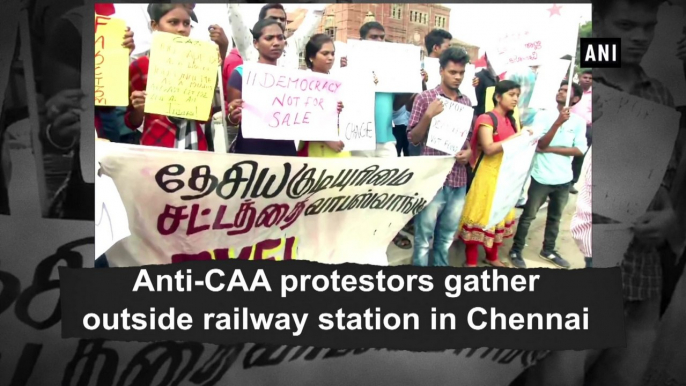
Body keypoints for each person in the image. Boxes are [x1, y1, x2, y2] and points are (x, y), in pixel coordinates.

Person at [40, 5, 135, 219]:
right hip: (86, 157)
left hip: (112, 144)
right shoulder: (72, 23)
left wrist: (120, 58)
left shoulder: (114, 20)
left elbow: (114, 99)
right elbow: (61, 117)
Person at [124, 4, 227, 151]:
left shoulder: (198, 63)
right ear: (154, 25)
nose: (181, 29)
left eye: (186, 23)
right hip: (155, 148)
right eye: (173, 22)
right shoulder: (140, 66)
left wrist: (221, 52)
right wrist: (139, 109)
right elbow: (131, 122)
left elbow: (205, 116)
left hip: (195, 147)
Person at [348, 21, 413, 250]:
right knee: (361, 189)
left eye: (382, 37)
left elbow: (397, 106)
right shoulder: (349, 66)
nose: (379, 41)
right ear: (362, 40)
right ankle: (361, 234)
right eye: (374, 37)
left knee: (390, 189)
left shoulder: (391, 71)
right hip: (359, 138)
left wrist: (410, 84)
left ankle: (387, 232)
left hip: (386, 138)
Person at [508, 81, 587, 269]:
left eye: (566, 91)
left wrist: (551, 149)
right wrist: (558, 123)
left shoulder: (578, 122)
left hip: (564, 179)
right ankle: (516, 250)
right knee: (528, 215)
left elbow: (579, 150)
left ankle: (548, 250)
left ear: (575, 99)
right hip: (542, 177)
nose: (561, 92)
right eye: (560, 89)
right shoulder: (543, 116)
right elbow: (540, 144)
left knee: (555, 217)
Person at [407, 47, 472, 267]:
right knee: (423, 239)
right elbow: (413, 138)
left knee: (445, 239)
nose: (457, 77)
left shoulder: (466, 102)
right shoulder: (425, 99)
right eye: (453, 72)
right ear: (441, 70)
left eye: (461, 72)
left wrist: (469, 152)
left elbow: (468, 138)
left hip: (458, 179)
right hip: (432, 179)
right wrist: (428, 116)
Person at [458, 80, 531, 267]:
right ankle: (471, 262)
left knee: (500, 214)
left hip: (506, 176)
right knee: (480, 216)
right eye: (511, 94)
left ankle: (492, 257)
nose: (515, 99)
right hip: (487, 176)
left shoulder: (511, 120)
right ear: (498, 97)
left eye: (517, 95)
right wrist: (518, 137)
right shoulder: (486, 119)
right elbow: (489, 148)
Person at [226, 19, 297, 157]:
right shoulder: (241, 74)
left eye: (280, 38)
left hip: (285, 150)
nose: (276, 43)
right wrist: (232, 117)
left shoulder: (292, 78)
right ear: (256, 43)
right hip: (251, 151)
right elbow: (230, 120)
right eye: (269, 38)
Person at [228, 3, 324, 69]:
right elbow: (235, 14)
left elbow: (314, 18)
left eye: (282, 19)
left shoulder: (293, 45)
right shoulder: (249, 45)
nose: (278, 22)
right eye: (273, 18)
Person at [297, 33, 346, 158]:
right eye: (325, 54)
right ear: (311, 57)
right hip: (314, 147)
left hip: (339, 144)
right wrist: (327, 140)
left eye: (332, 53)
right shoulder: (302, 82)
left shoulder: (338, 81)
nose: (330, 57)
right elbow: (299, 118)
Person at [570, 69, 592, 194]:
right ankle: (561, 180)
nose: (588, 79)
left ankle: (572, 182)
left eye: (590, 78)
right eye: (585, 77)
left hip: (586, 128)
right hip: (568, 124)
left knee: (579, 154)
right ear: (579, 77)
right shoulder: (571, 91)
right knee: (564, 150)